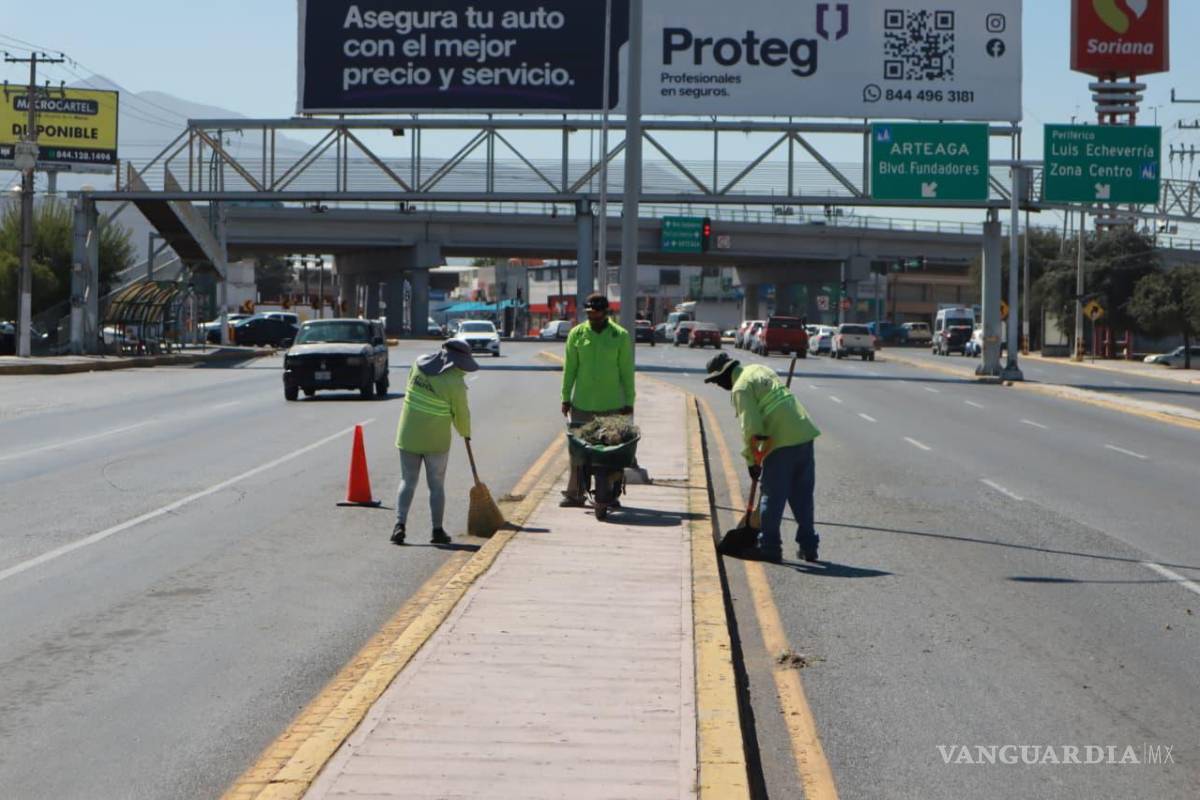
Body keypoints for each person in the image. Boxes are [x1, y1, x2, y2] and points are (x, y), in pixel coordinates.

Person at [704, 352, 821, 563]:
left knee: (771, 496)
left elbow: (752, 429)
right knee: (801, 495)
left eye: (716, 381)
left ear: (724, 375)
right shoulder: (759, 370)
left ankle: (769, 547)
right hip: (804, 434)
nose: (718, 386)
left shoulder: (740, 387)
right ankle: (809, 546)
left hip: (781, 441)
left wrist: (752, 462)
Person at [391, 339, 478, 545]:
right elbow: (461, 414)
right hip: (436, 441)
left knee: (407, 481)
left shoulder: (418, 364)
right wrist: (465, 433)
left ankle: (399, 525)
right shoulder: (455, 382)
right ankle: (437, 531)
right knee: (436, 486)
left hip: (408, 435)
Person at [559, 293, 636, 506]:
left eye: (595, 312)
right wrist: (566, 397)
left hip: (612, 406)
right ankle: (575, 493)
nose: (591, 316)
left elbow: (626, 371)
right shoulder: (577, 334)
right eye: (589, 313)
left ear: (605, 312)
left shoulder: (619, 336)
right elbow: (570, 369)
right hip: (582, 404)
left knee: (612, 453)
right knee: (578, 452)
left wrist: (629, 401)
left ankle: (612, 493)